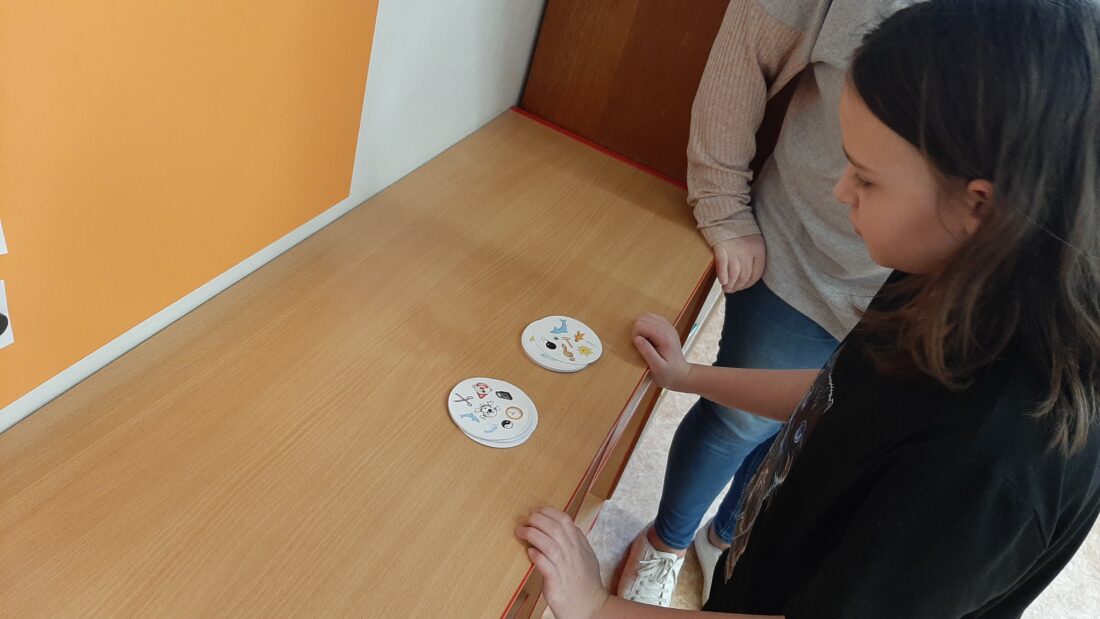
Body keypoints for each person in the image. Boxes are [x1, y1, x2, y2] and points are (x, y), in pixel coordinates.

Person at [516, 0, 1100, 616]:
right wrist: (687, 377)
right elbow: (842, 396)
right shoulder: (957, 268)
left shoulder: (985, 469)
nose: (841, 190)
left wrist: (594, 607)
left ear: (978, 205)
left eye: (866, 178)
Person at [619, 0, 919, 605]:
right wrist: (723, 205)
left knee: (805, 434)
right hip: (804, 257)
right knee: (744, 419)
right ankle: (670, 541)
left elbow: (826, 405)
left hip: (919, 308)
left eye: (865, 177)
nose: (846, 188)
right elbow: (745, 50)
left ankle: (729, 535)